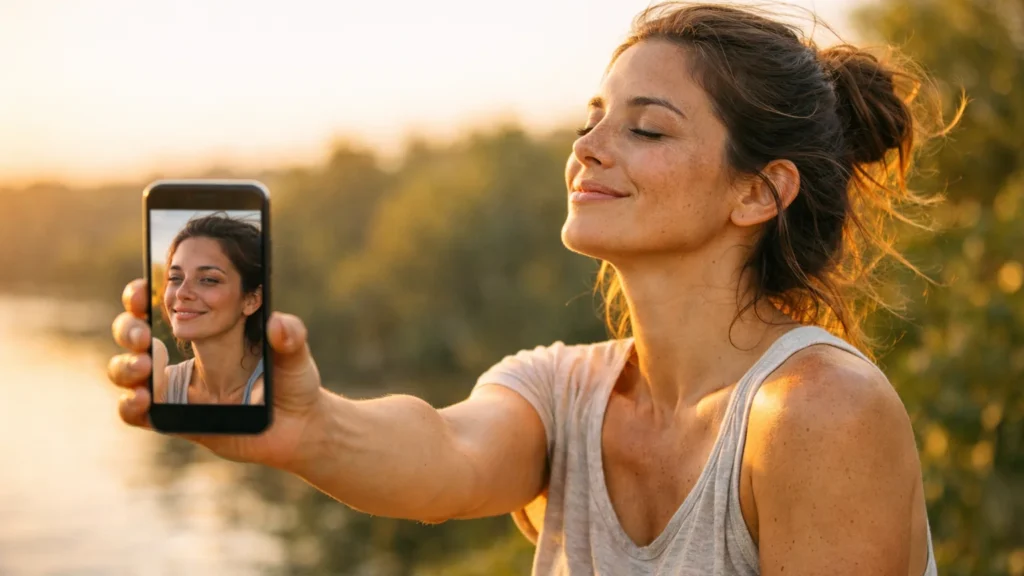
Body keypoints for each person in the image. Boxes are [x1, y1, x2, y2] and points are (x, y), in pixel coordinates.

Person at [107, 3, 959, 574]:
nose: (588, 147)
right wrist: (310, 427)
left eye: (646, 127)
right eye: (591, 119)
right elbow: (443, 453)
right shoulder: (564, 388)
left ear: (758, 192)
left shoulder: (817, 414)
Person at [151, 213, 265, 405]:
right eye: (175, 278)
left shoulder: (277, 390)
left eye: (209, 280)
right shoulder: (164, 385)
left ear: (251, 300)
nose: (182, 293)